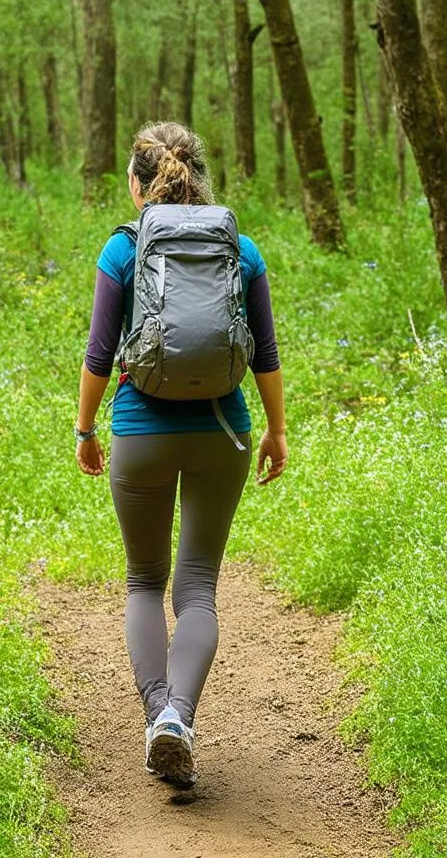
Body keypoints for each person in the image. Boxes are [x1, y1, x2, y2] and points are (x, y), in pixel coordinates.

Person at [74, 121, 287, 788]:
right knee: (197, 587)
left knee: (144, 581)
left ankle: (158, 711)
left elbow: (100, 354)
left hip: (140, 432)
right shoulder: (241, 249)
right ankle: (179, 721)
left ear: (138, 186)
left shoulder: (123, 250)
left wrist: (85, 430)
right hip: (224, 431)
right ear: (200, 178)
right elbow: (267, 355)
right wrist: (276, 432)